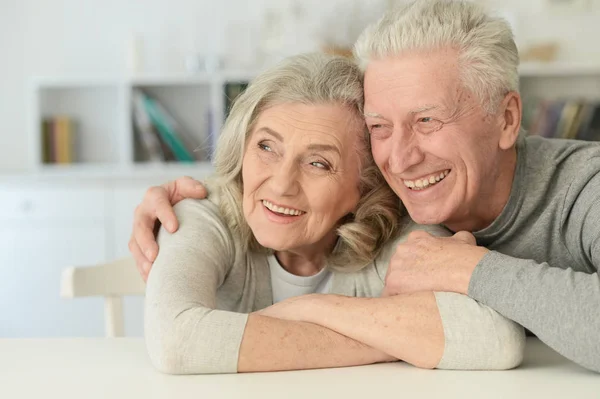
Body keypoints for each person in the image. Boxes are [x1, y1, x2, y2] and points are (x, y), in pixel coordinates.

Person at [131, 0, 600, 373]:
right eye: (379, 127)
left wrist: (473, 270)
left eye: (427, 120)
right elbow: (289, 177)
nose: (400, 158)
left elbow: (490, 339)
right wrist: (198, 200)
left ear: (507, 119)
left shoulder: (586, 188)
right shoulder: (402, 196)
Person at [142, 52, 524, 374]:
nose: (280, 185)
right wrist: (395, 341)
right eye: (266, 147)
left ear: (364, 187)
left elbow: (495, 337)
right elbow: (175, 340)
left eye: (319, 163)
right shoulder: (201, 214)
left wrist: (307, 308)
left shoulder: (398, 234)